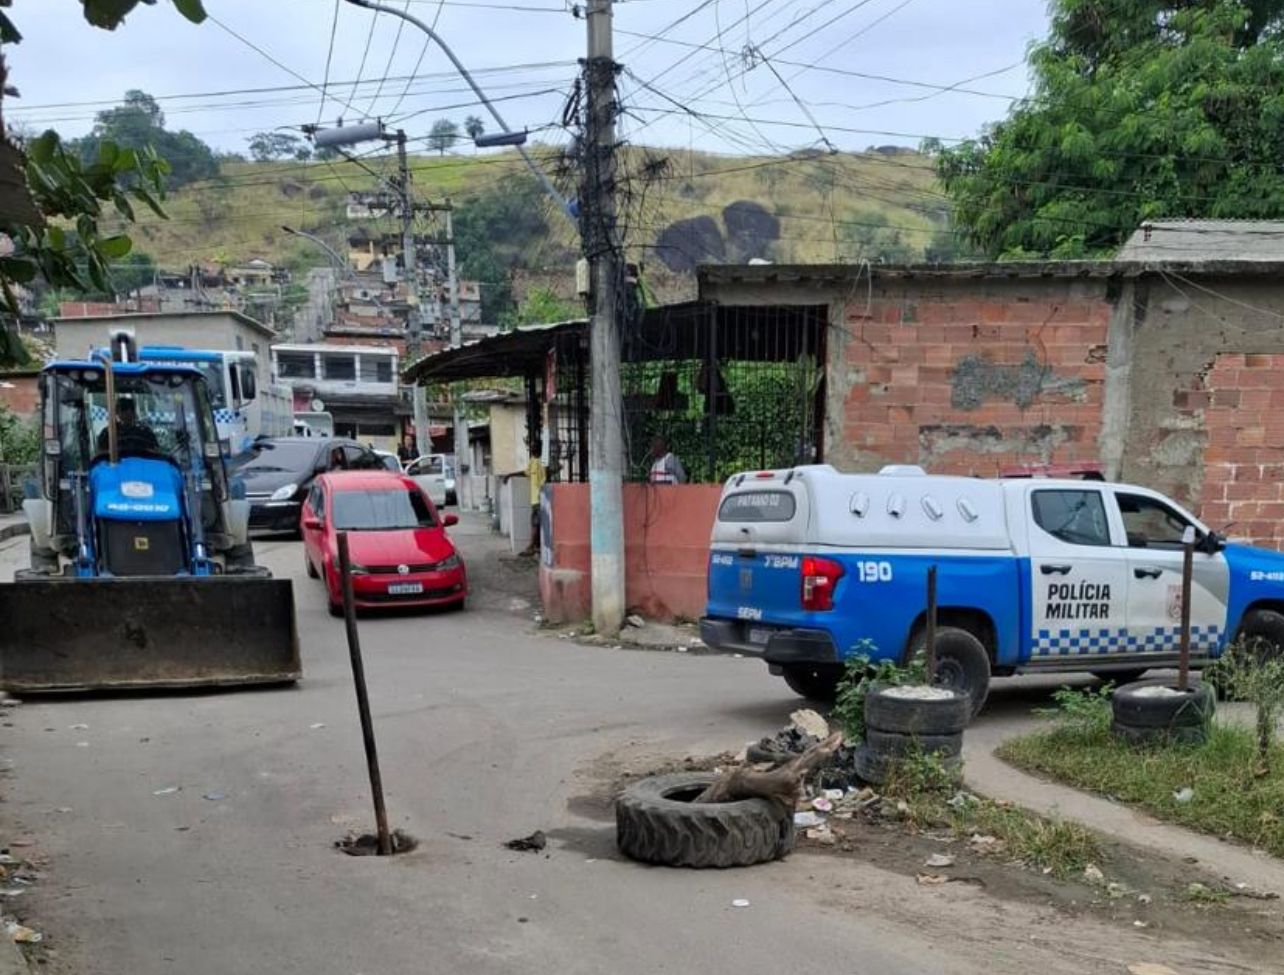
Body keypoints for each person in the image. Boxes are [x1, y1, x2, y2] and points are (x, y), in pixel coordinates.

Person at [503, 435, 546, 556]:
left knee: (535, 522)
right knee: (536, 522)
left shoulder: (539, 462)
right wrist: (510, 474)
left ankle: (532, 546)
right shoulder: (534, 461)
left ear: (539, 448)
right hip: (535, 498)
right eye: (531, 446)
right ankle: (535, 546)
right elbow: (526, 473)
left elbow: (540, 479)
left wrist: (509, 475)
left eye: (534, 447)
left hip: (538, 498)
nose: (532, 449)